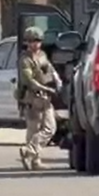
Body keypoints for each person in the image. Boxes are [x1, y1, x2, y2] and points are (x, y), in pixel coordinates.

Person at [17, 26, 62, 171]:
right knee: (33, 129)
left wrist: (57, 80)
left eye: (36, 41)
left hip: (45, 97)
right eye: (31, 41)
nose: (34, 44)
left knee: (50, 128)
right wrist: (46, 89)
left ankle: (29, 152)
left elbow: (50, 69)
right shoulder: (25, 59)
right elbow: (29, 81)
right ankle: (33, 157)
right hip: (33, 98)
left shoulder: (42, 55)